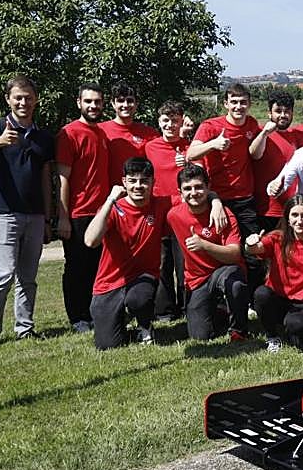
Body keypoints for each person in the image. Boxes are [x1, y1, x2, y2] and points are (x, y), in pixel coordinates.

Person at [0, 74, 55, 349]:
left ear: (36, 100)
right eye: (18, 97)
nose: (23, 102)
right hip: (3, 212)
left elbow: (45, 177)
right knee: (3, 274)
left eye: (28, 97)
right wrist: (1, 141)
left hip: (35, 214)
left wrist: (48, 217)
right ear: (8, 99)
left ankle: (25, 328)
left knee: (28, 276)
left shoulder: (43, 137)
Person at [84, 157, 170, 350]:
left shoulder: (162, 204)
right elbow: (90, 240)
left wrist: (214, 200)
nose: (138, 186)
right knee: (107, 345)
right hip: (110, 281)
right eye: (132, 181)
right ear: (124, 182)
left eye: (144, 181)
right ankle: (121, 317)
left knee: (139, 299)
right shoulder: (113, 209)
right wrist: (110, 200)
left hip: (143, 276)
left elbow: (193, 196)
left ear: (153, 182)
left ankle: (144, 325)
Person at [167, 164, 249, 342]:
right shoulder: (173, 213)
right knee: (200, 336)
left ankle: (239, 330)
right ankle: (219, 310)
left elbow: (235, 254)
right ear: (180, 192)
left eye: (199, 187)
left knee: (235, 284)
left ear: (208, 187)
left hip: (224, 271)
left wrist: (204, 245)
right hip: (196, 280)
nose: (193, 192)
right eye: (187, 189)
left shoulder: (225, 215)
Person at [55, 83, 110, 333]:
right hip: (79, 214)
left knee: (99, 267)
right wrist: (63, 217)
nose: (93, 106)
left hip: (102, 213)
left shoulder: (101, 133)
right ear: (78, 103)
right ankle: (77, 317)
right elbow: (62, 178)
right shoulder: (69, 133)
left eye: (97, 102)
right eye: (88, 101)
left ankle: (94, 313)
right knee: (77, 268)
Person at [247, 194, 303, 352]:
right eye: (295, 215)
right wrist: (250, 244)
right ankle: (272, 336)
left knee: (296, 328)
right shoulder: (277, 237)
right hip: (280, 298)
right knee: (261, 294)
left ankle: (297, 327)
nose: (300, 220)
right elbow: (255, 249)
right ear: (288, 218)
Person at [188, 82, 262, 241]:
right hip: (217, 197)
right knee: (221, 243)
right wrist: (212, 144)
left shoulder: (252, 124)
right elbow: (191, 154)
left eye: (243, 102)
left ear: (249, 104)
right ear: (226, 104)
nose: (238, 106)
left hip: (245, 198)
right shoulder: (211, 126)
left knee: (252, 249)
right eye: (234, 102)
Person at [145, 101, 191, 320]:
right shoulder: (150, 147)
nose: (170, 125)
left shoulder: (189, 147)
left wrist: (188, 163)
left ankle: (187, 306)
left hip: (183, 213)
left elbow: (200, 177)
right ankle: (164, 309)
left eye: (175, 120)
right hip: (159, 211)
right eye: (166, 120)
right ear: (159, 122)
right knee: (162, 262)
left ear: (181, 121)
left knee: (184, 262)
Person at [250, 91, 303, 229]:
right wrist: (264, 133)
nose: (283, 115)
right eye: (278, 111)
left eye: (287, 111)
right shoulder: (261, 133)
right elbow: (254, 153)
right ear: (269, 113)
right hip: (266, 210)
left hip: (294, 210)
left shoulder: (298, 135)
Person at [100, 82, 158, 182]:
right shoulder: (100, 131)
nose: (125, 105)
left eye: (130, 101)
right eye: (120, 101)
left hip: (139, 192)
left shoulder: (150, 134)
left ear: (136, 104)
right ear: (113, 104)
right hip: (108, 193)